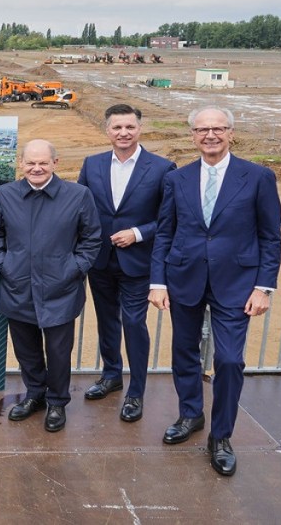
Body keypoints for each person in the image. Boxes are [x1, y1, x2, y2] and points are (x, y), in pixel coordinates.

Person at [149, 106, 281, 476]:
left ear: (231, 132)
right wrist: (157, 282)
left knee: (228, 361)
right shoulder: (178, 179)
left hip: (236, 285)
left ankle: (221, 436)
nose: (210, 135)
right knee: (183, 353)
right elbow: (165, 232)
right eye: (202, 129)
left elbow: (270, 237)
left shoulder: (257, 177)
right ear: (192, 135)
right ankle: (191, 415)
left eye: (218, 128)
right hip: (184, 280)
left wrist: (263, 288)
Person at [0, 139, 101, 433]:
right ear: (20, 164)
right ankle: (35, 394)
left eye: (43, 163)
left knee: (59, 352)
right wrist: (2, 265)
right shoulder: (5, 195)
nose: (36, 168)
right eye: (31, 163)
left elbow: (92, 238)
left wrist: (74, 269)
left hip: (60, 289)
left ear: (55, 164)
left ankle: (57, 402)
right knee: (27, 350)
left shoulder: (78, 195)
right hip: (17, 286)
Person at [77, 104, 176, 422]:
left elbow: (171, 218)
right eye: (117, 127)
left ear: (140, 129)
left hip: (139, 262)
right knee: (106, 320)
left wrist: (137, 232)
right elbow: (80, 210)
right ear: (107, 131)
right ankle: (111, 375)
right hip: (101, 260)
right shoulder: (91, 165)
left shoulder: (162, 168)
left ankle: (136, 392)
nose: (123, 133)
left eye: (129, 127)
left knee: (134, 323)